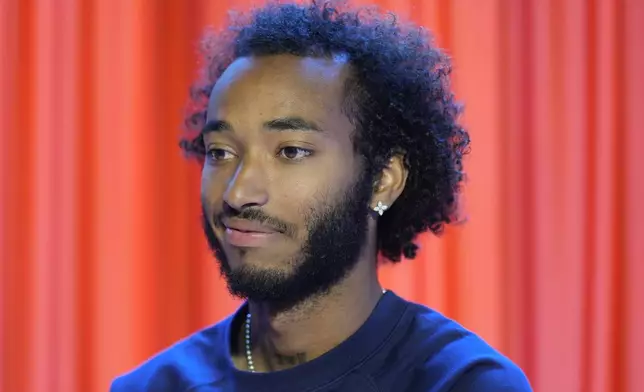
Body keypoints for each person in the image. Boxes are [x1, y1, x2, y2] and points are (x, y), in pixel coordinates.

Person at [111, 1, 532, 391]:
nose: (239, 192)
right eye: (221, 152)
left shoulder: (460, 382)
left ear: (383, 180)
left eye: (291, 151)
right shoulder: (152, 385)